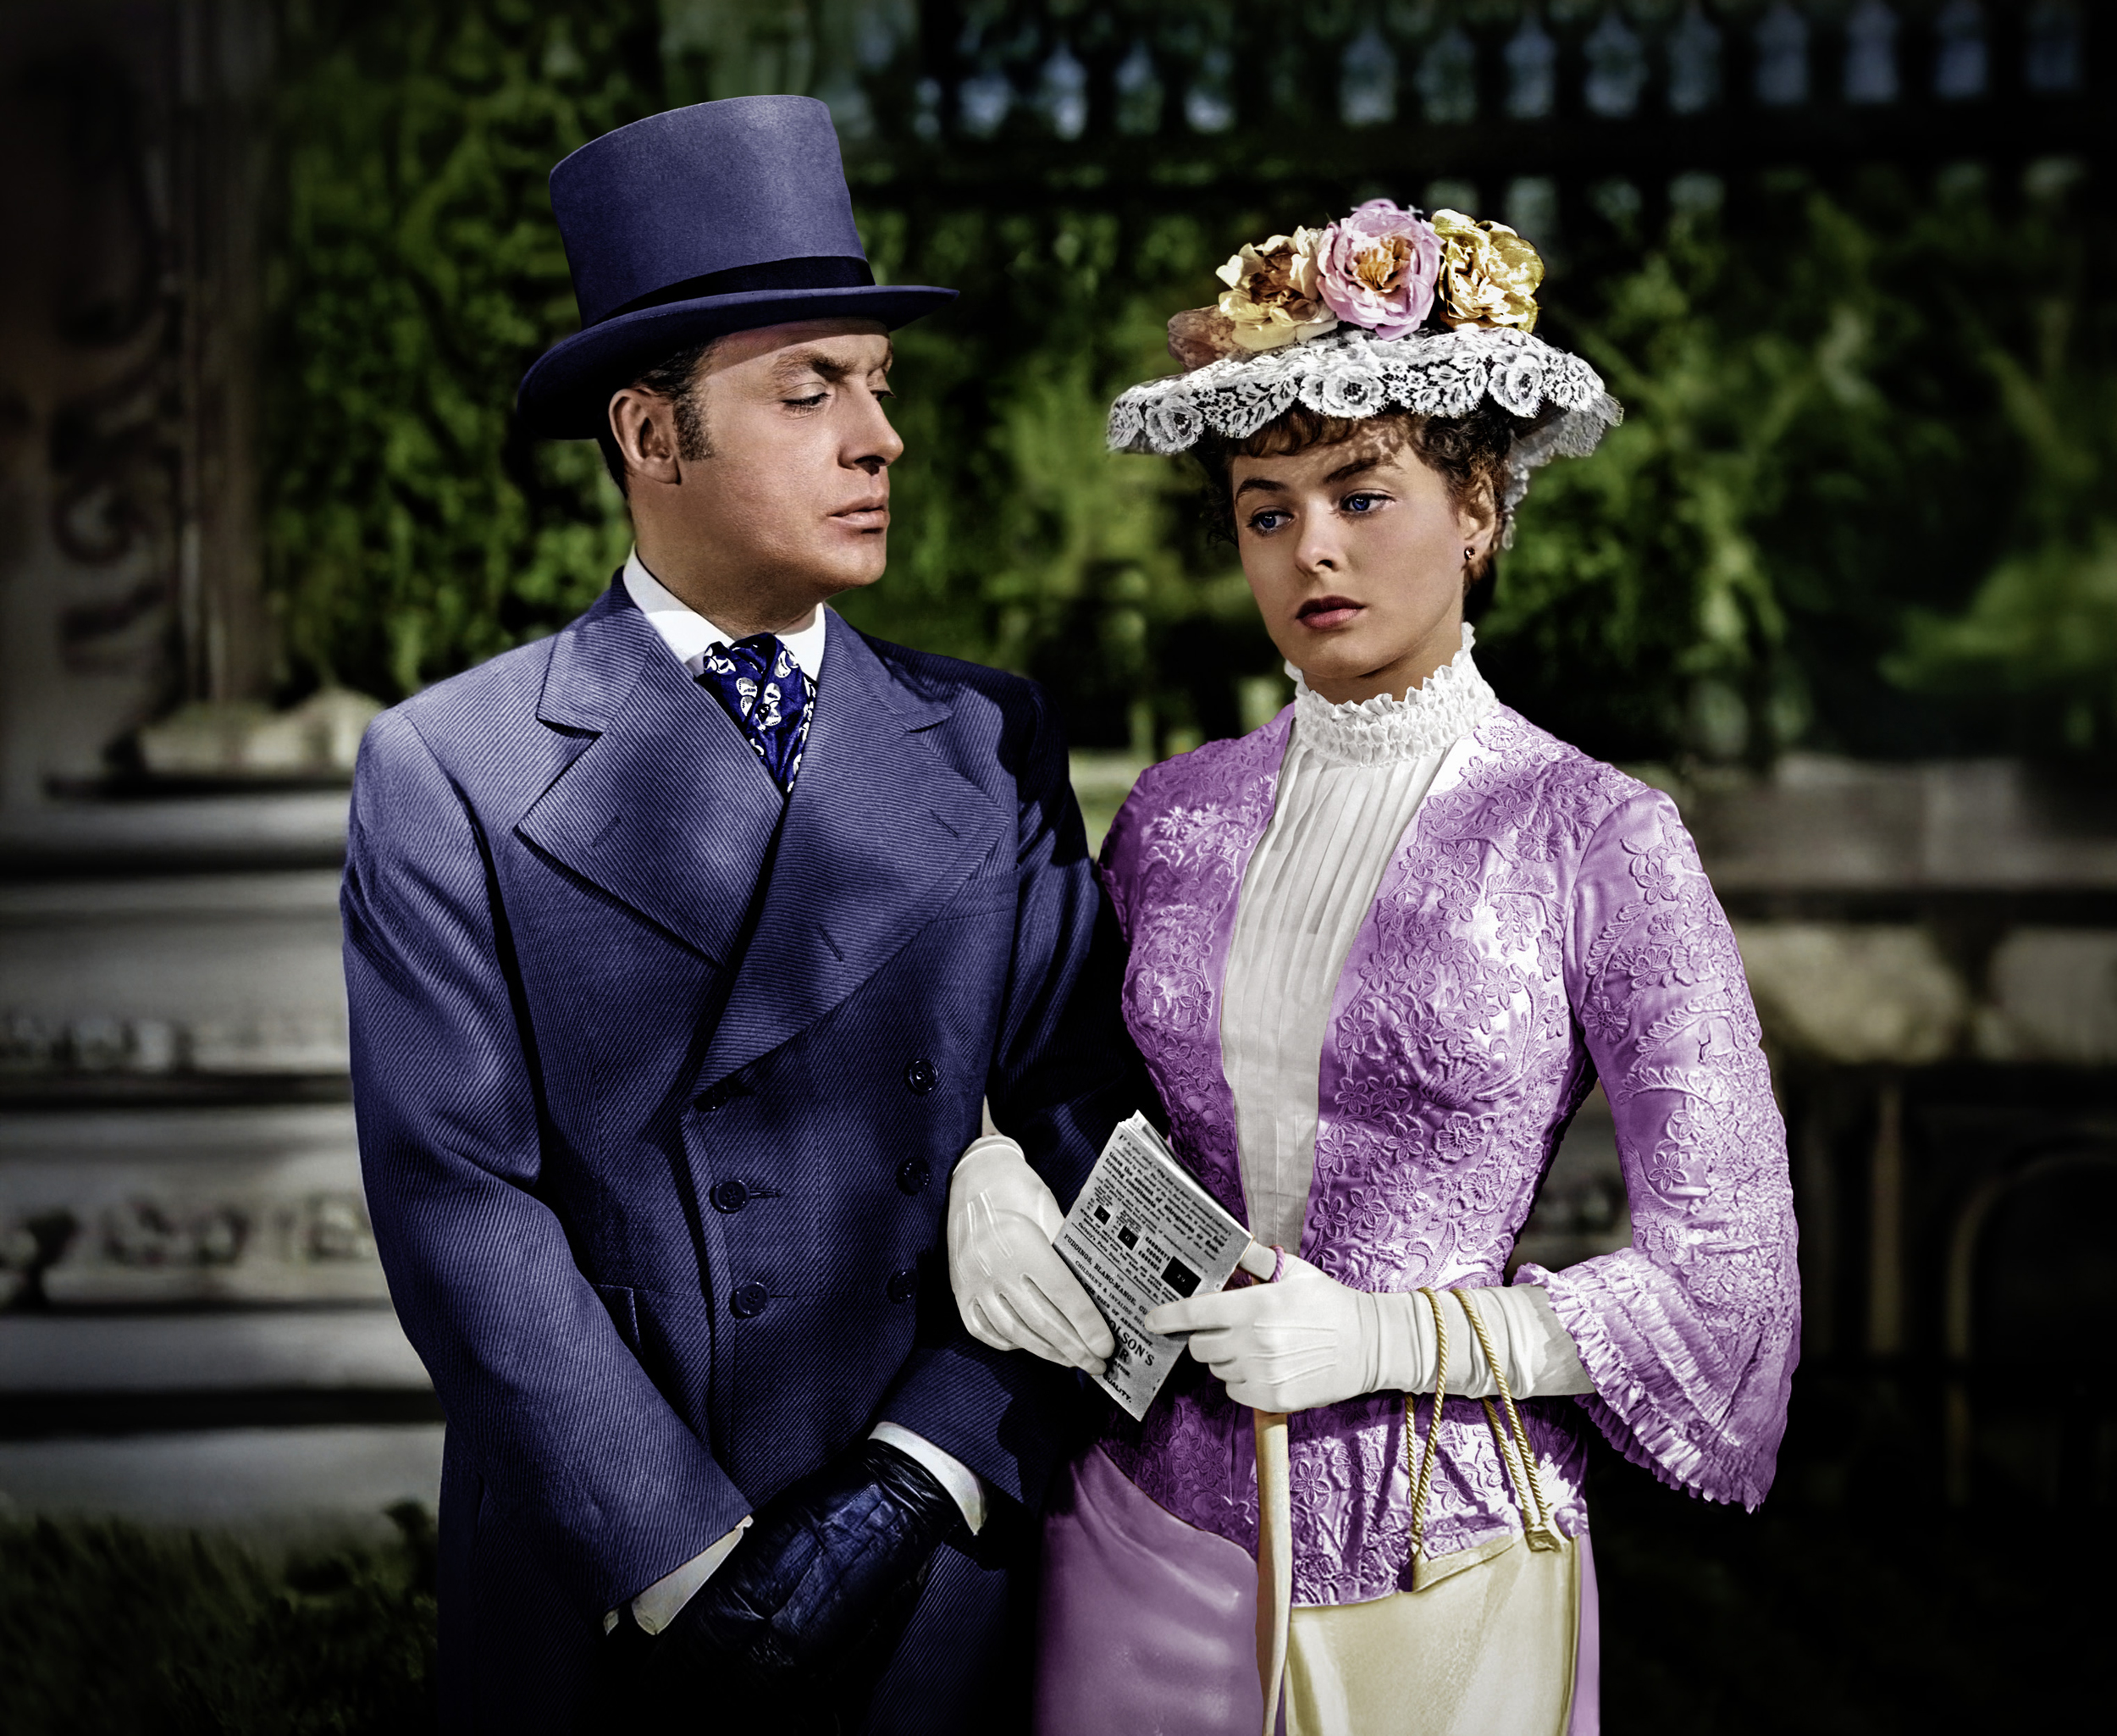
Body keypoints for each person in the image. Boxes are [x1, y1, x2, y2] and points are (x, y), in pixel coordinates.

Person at [948, 202, 1800, 1734]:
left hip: (1440, 1553)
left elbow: (1729, 1283)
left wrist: (1384, 1337)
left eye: (1361, 493)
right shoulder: (1173, 816)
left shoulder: (1597, 836)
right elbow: (1051, 1081)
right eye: (1265, 511)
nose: (1313, 549)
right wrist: (988, 1164)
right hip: (1136, 1524)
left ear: (1478, 506)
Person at [342, 96, 1137, 1735]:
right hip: (610, 1579)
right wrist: (689, 1562)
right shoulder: (452, 765)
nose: (880, 437)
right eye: (810, 389)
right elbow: (456, 1203)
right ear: (652, 437)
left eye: (880, 384)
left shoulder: (988, 738)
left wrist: (916, 1473)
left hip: (934, 1561)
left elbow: (1104, 1131)